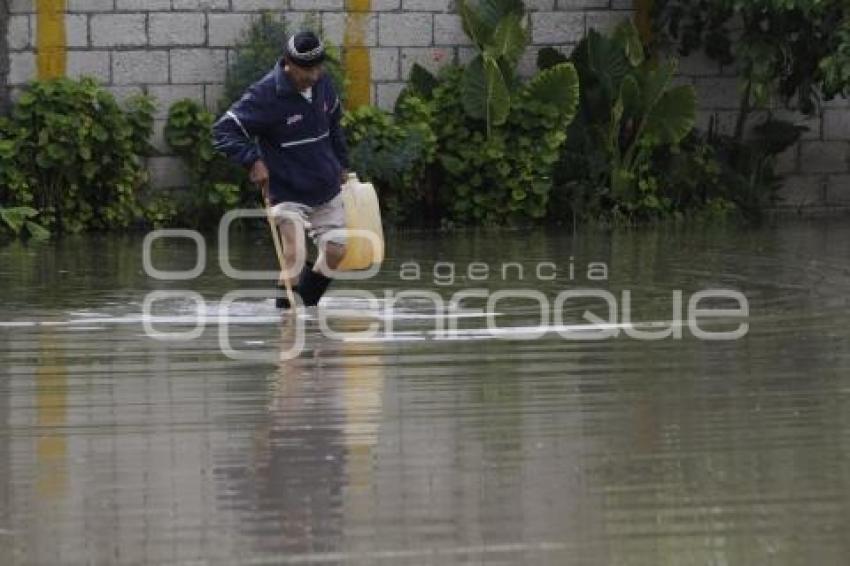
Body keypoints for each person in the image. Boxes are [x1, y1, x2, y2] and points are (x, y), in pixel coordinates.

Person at [213, 31, 349, 309]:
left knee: (336, 252)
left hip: (325, 184)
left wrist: (342, 164)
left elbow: (334, 124)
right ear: (288, 63)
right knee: (294, 255)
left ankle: (305, 309)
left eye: (318, 67)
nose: (313, 76)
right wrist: (252, 160)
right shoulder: (264, 94)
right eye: (306, 69)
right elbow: (223, 130)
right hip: (286, 188)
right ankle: (287, 327)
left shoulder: (323, 83)